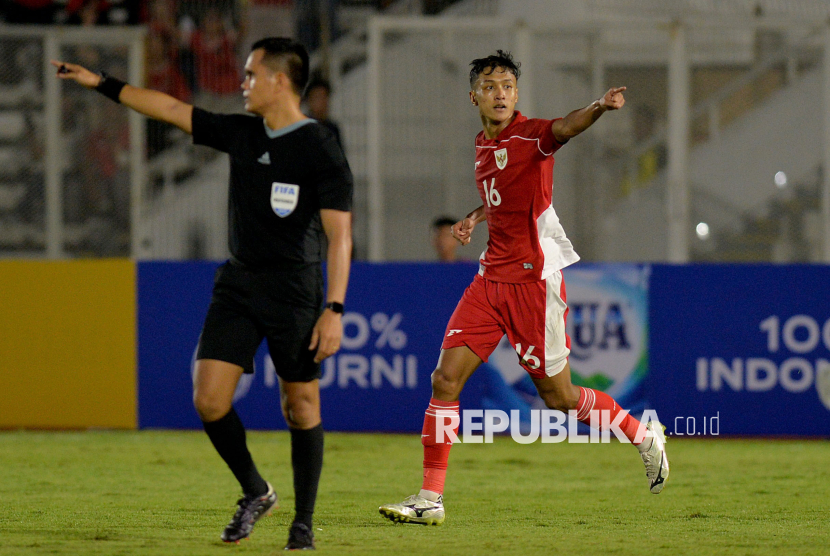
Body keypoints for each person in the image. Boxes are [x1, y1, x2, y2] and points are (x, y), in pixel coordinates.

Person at [53, 37, 353, 550]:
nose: (243, 83)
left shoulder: (319, 145)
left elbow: (340, 235)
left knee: (300, 406)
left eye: (251, 74)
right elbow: (170, 109)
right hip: (239, 284)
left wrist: (335, 309)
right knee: (209, 400)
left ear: (280, 80)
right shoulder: (242, 132)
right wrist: (99, 82)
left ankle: (302, 523)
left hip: (295, 290)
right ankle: (256, 491)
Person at [378, 50, 668, 526]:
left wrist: (598, 106)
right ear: (473, 96)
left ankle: (642, 434)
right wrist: (474, 218)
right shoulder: (482, 144)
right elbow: (502, 194)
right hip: (490, 280)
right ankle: (430, 499)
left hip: (533, 283)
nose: (501, 94)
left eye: (508, 87)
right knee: (444, 380)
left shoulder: (532, 135)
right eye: (491, 86)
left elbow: (566, 127)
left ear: (516, 95)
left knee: (560, 398)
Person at [304, 76, 342, 149]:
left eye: (325, 97)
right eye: (318, 97)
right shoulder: (302, 129)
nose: (322, 102)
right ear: (309, 101)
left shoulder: (332, 129)